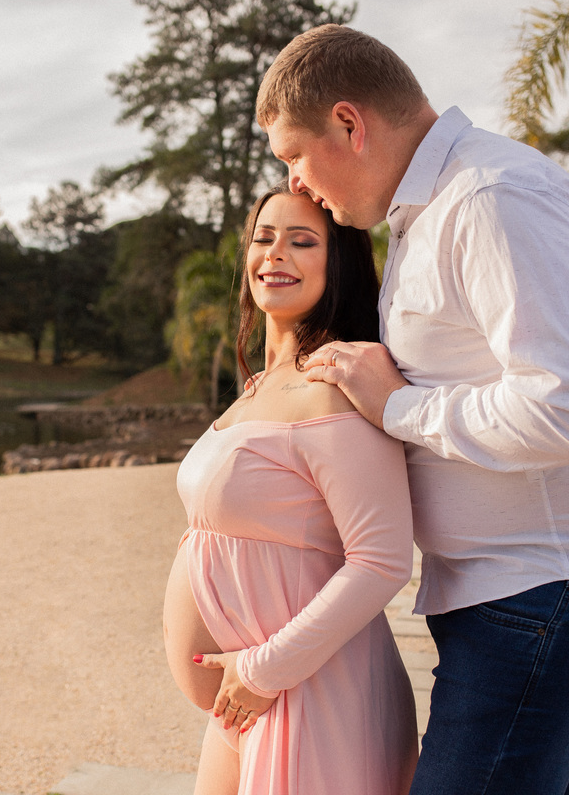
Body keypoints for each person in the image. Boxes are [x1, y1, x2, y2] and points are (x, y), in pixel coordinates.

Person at [255, 24, 569, 795]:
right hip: (516, 596)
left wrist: (401, 408)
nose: (298, 182)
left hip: (550, 590)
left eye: (293, 156)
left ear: (349, 123)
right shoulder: (432, 211)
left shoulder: (493, 198)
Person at [163, 184, 419, 795]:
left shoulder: (335, 384)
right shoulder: (261, 385)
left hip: (307, 694)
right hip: (249, 700)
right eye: (264, 238)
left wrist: (262, 671)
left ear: (339, 267)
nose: (275, 254)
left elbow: (382, 561)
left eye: (303, 241)